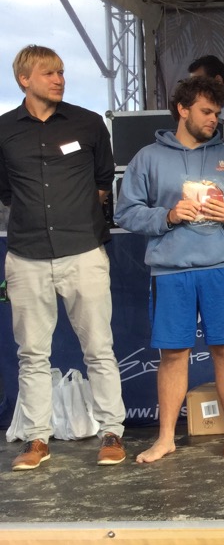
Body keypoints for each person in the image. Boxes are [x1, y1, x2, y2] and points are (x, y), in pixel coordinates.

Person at [115, 76, 224, 462]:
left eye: (217, 113)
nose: (214, 119)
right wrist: (167, 214)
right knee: (173, 355)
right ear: (182, 110)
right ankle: (165, 438)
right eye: (206, 111)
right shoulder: (148, 158)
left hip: (222, 266)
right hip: (170, 270)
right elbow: (125, 212)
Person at [0, 45, 126, 470]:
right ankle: (37, 438)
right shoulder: (3, 130)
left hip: (84, 251)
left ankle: (112, 431)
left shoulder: (88, 123)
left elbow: (103, 181)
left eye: (61, 72)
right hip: (26, 255)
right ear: (24, 79)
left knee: (99, 348)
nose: (59, 79)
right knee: (32, 354)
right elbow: (5, 190)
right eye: (49, 73)